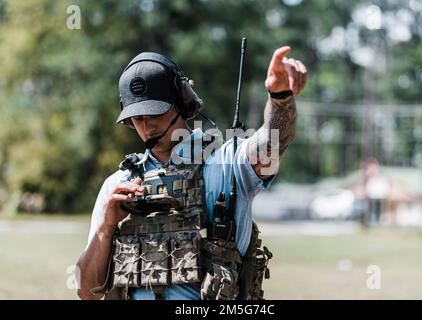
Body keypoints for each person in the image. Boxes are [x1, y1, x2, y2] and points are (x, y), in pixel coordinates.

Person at [76, 46, 307, 300]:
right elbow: (87, 292)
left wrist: (280, 97)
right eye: (137, 117)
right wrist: (106, 229)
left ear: (182, 101)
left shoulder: (227, 162)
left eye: (155, 111)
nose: (147, 125)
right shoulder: (118, 184)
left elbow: (272, 144)